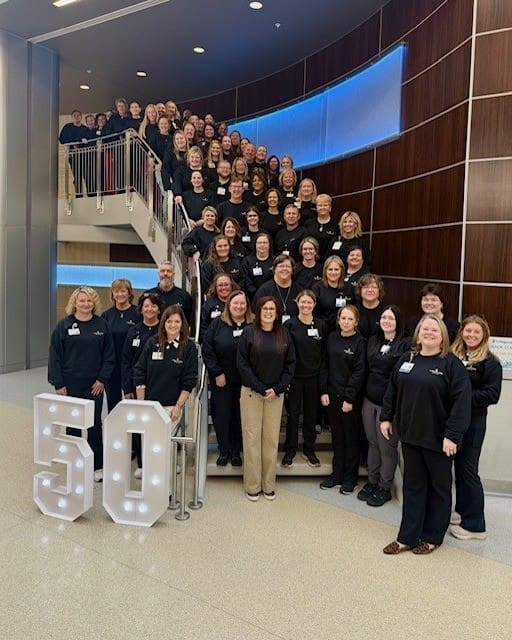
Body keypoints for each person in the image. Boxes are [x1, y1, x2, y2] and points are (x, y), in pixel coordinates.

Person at [380, 314, 471, 554]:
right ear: (418, 334)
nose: (429, 333)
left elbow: (461, 403)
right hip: (410, 435)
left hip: (439, 439)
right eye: (425, 329)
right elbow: (392, 390)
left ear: (443, 336)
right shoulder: (406, 359)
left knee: (439, 489)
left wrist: (452, 435)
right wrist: (386, 417)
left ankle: (432, 537)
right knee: (412, 486)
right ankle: (407, 537)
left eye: (434, 330)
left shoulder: (451, 365)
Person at [48, 286, 115, 482]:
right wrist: (58, 383)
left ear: (94, 303)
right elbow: (54, 356)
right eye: (82, 301)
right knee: (73, 425)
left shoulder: (102, 325)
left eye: (89, 301)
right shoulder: (64, 326)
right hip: (70, 385)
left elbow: (109, 356)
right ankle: (75, 463)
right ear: (75, 303)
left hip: (95, 385)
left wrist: (102, 379)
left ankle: (97, 466)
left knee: (94, 425)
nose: (86, 304)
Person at [237, 296, 296, 500]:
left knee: (271, 440)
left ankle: (268, 484)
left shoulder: (284, 334)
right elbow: (242, 364)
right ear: (258, 311)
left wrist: (277, 389)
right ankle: (253, 485)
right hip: (252, 393)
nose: (269, 312)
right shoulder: (249, 332)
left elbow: (290, 364)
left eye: (272, 309)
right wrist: (260, 388)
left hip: (275, 395)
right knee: (252, 439)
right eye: (265, 308)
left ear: (277, 312)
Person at [450, 315, 502, 540]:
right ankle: (462, 511)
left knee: (468, 470)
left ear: (484, 335)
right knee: (459, 469)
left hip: (473, 423)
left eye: (476, 332)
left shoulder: (491, 363)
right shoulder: (454, 356)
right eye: (468, 331)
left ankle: (475, 526)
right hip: (453, 421)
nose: (471, 335)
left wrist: (462, 398)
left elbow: (492, 395)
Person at [358, 305, 410, 506]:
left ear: (398, 322)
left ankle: (384, 486)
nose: (386, 321)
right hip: (369, 399)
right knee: (372, 443)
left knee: (387, 447)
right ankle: (372, 481)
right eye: (384, 318)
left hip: (389, 405)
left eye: (391, 318)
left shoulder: (405, 344)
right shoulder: (373, 340)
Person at [203, 291, 254, 466]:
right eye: (235, 303)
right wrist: (217, 373)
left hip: (246, 381)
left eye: (242, 303)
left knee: (240, 416)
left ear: (247, 306)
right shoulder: (218, 323)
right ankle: (224, 450)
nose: (239, 307)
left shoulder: (253, 324)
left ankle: (236, 451)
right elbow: (208, 349)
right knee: (222, 416)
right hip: (222, 380)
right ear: (228, 305)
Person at [319, 305, 367, 494]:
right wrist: (323, 391)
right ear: (338, 320)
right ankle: (337, 474)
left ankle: (350, 477)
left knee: (351, 438)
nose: (346, 322)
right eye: (343, 318)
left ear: (356, 322)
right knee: (337, 437)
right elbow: (324, 365)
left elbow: (359, 371)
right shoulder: (331, 338)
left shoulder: (361, 342)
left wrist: (349, 398)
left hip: (349, 399)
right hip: (332, 395)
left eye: (350, 319)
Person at [121, 293, 165, 478]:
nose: (150, 309)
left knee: (160, 425)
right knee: (139, 425)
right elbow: (126, 361)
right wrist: (127, 388)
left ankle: (162, 462)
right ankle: (141, 462)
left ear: (159, 309)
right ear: (141, 309)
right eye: (146, 306)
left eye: (153, 306)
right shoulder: (134, 331)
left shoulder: (165, 330)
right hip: (137, 385)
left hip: (160, 384)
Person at [283, 290, 328, 467]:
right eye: (303, 302)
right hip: (294, 378)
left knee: (311, 416)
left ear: (314, 305)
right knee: (293, 416)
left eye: (309, 302)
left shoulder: (321, 325)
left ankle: (310, 450)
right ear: (297, 303)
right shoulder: (289, 325)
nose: (306, 305)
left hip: (313, 378)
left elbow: (324, 354)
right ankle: (290, 450)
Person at [133, 305, 198, 425]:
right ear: (163, 323)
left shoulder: (189, 347)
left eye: (177, 321)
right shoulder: (152, 342)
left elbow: (189, 380)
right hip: (150, 405)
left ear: (182, 324)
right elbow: (140, 371)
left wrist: (178, 406)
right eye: (169, 321)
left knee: (165, 437)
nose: (173, 325)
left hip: (172, 407)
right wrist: (142, 404)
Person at [101, 278, 140, 411]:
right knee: (113, 405)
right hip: (113, 366)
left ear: (129, 293)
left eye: (123, 291)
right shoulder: (106, 316)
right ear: (112, 294)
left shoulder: (138, 314)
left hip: (132, 366)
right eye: (116, 291)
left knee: (133, 405)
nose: (120, 294)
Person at [252, 254, 300, 321]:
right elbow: (256, 311)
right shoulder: (264, 290)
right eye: (281, 266)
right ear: (274, 269)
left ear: (292, 270)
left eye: (288, 266)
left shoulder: (299, 290)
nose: (284, 269)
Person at [312, 255, 352, 331]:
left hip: (344, 328)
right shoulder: (317, 288)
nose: (333, 272)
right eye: (330, 269)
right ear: (325, 271)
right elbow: (313, 311)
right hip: (323, 328)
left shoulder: (349, 288)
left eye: (336, 269)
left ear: (341, 271)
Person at [199, 274, 239, 342]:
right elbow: (203, 328)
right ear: (215, 287)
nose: (224, 288)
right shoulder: (208, 305)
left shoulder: (239, 303)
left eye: (226, 285)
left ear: (232, 286)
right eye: (220, 285)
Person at [241, 232, 274, 299]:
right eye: (259, 243)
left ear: (270, 245)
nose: (262, 245)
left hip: (271, 296)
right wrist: (257, 294)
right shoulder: (247, 261)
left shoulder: (275, 261)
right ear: (255, 245)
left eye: (265, 243)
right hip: (252, 296)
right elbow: (245, 280)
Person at [355, 273, 387, 339]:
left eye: (374, 287)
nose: (370, 290)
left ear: (379, 290)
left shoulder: (387, 311)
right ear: (360, 290)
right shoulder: (353, 310)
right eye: (366, 287)